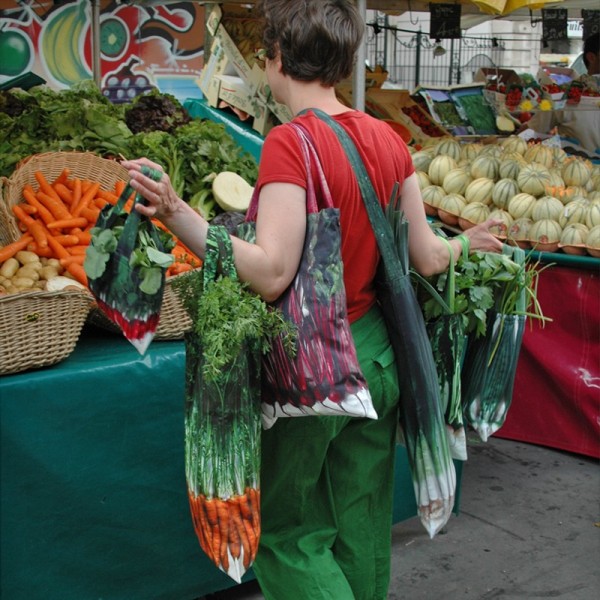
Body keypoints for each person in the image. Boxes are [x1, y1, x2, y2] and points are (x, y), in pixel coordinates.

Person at [122, 1, 502, 598]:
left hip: (316, 371)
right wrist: (466, 244)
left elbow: (272, 273)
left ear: (276, 59)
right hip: (379, 359)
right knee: (362, 523)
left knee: (290, 535)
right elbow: (428, 257)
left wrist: (178, 214)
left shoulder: (289, 143)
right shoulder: (389, 140)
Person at [524, 31, 600, 154]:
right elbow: (533, 130)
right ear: (591, 57)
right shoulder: (563, 94)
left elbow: (532, 130)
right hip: (576, 167)